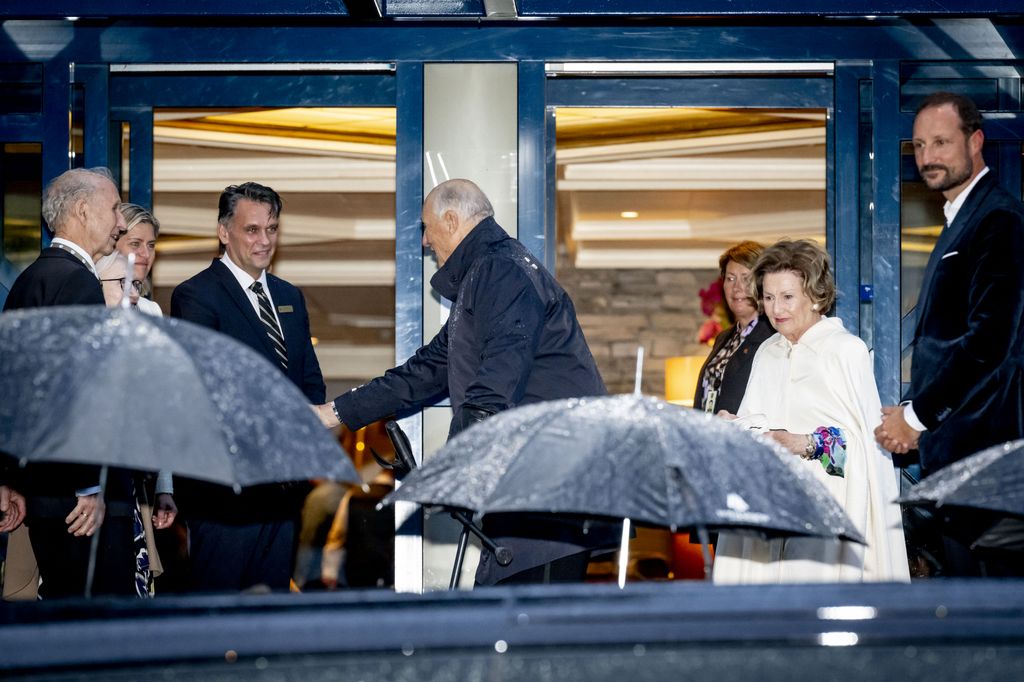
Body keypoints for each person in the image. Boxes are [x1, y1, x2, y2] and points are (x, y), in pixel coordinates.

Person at [314, 178, 614, 586]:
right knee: (503, 620)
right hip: (533, 490)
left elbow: (496, 381)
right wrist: (333, 413)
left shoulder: (501, 269)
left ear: (452, 220)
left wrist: (457, 469)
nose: (424, 240)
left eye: (426, 226)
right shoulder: (487, 275)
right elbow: (424, 371)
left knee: (524, 631)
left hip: (548, 493)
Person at [874, 92, 1024, 576]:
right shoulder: (962, 219)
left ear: (975, 141)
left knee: (991, 618)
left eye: (941, 141)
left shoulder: (998, 219)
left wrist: (916, 417)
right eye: (918, 145)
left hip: (988, 465)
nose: (927, 157)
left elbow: (988, 343)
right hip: (964, 459)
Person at [714, 239, 909, 584]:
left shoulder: (845, 351)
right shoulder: (767, 353)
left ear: (816, 296)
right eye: (769, 297)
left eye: (787, 297)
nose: (776, 309)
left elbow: (863, 449)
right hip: (770, 512)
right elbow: (761, 426)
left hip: (825, 521)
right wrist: (738, 428)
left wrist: (804, 443)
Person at [171, 181, 325, 592]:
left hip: (283, 491)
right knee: (218, 614)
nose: (265, 240)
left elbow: (309, 381)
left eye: (271, 229)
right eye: (252, 229)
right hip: (225, 496)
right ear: (224, 232)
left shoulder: (289, 296)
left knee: (271, 617)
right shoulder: (196, 296)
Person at [2, 167, 142, 598]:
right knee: (101, 634)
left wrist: (10, 479)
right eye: (115, 208)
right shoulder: (78, 281)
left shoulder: (27, 282)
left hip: (44, 497)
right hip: (82, 504)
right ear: (83, 210)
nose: (121, 222)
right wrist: (89, 486)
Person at [693, 241, 774, 415]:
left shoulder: (774, 337)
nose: (737, 287)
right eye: (730, 279)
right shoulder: (724, 338)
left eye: (746, 278)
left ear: (762, 283)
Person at [115, 203, 162, 315]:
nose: (146, 254)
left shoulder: (152, 309)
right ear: (111, 244)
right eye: (135, 244)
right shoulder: (93, 301)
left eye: (151, 245)